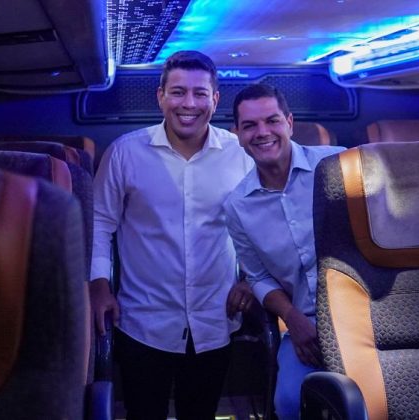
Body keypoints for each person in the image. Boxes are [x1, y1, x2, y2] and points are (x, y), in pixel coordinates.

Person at [89, 50, 254, 420]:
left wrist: (252, 280)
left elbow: (257, 227)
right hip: (143, 321)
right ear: (160, 96)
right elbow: (100, 222)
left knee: (201, 414)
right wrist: (98, 284)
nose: (188, 104)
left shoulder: (240, 154)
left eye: (200, 93)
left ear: (215, 99)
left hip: (215, 318)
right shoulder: (124, 153)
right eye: (178, 92)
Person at [223, 83, 345, 419]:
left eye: (272, 121)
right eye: (250, 125)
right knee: (289, 402)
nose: (262, 133)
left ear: (289, 123)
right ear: (238, 134)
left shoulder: (339, 165)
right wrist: (293, 320)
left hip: (367, 312)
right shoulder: (237, 206)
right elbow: (258, 277)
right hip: (304, 321)